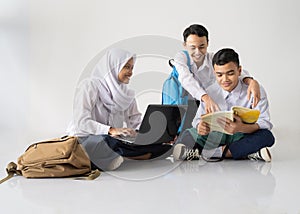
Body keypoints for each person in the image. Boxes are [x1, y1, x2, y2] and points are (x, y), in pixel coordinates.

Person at [67, 48, 172, 170]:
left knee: (163, 147)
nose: (131, 72)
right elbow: (81, 123)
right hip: (85, 138)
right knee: (106, 141)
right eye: (126, 67)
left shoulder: (126, 94)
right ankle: (135, 155)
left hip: (114, 139)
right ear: (112, 67)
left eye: (132, 68)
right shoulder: (89, 86)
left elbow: (136, 122)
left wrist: (155, 135)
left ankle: (121, 156)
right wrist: (110, 130)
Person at [173, 48, 275, 162]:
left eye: (230, 73)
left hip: (242, 135)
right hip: (216, 136)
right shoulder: (210, 92)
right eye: (219, 75)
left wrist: (241, 127)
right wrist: (200, 127)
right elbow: (197, 120)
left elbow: (265, 122)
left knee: (267, 136)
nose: (225, 79)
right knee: (187, 135)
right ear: (214, 73)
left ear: (239, 71)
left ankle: (212, 153)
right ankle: (248, 152)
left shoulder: (255, 90)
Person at [173, 24, 261, 113]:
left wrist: (251, 82)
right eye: (192, 47)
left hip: (207, 104)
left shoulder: (213, 58)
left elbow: (233, 70)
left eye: (202, 47)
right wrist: (206, 98)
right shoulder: (181, 57)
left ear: (207, 43)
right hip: (184, 101)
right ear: (185, 45)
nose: (197, 52)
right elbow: (186, 79)